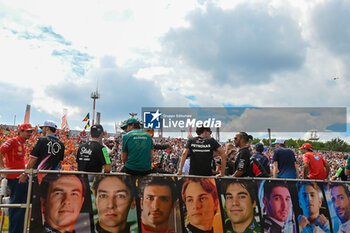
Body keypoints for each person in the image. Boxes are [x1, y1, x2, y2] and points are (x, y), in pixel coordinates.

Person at [0, 123, 33, 233]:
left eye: (31, 131)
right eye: (27, 131)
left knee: (22, 208)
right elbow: (1, 150)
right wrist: (2, 167)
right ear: (21, 131)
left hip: (21, 177)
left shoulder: (22, 143)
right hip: (15, 178)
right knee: (16, 208)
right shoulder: (13, 140)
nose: (30, 133)